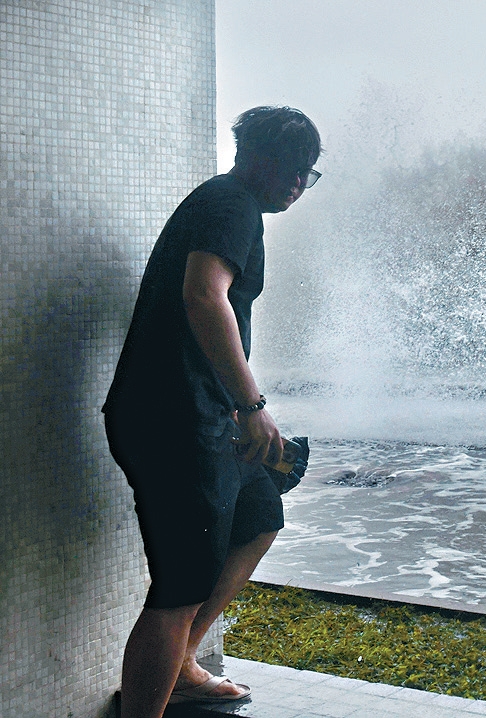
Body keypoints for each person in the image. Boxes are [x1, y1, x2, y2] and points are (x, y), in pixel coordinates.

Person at [103, 106, 321, 718]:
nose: (298, 184)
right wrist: (252, 406)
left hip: (198, 418)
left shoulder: (230, 205)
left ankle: (182, 666)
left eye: (308, 174)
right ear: (256, 159)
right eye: (291, 169)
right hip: (173, 424)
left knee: (258, 514)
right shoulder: (230, 205)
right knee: (180, 586)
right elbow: (204, 295)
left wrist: (236, 413)